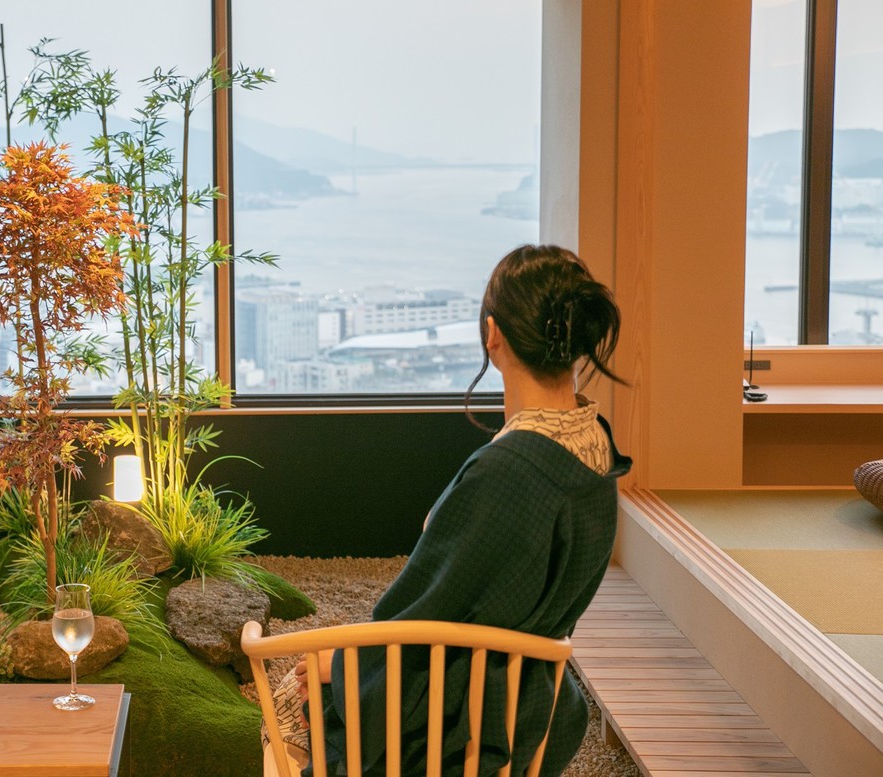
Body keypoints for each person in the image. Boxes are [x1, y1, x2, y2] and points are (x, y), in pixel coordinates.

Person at [269, 244, 632, 776]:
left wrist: (343, 664)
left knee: (287, 698)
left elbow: (421, 624)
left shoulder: (507, 473)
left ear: (493, 335)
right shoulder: (595, 442)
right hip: (537, 703)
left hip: (467, 726)